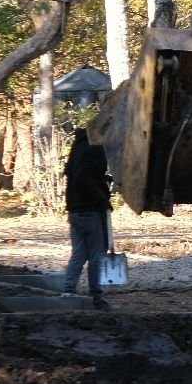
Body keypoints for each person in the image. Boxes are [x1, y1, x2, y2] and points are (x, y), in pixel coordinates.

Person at [64, 128, 113, 310]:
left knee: (78, 253)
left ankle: (68, 291)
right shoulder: (96, 147)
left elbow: (73, 172)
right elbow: (82, 178)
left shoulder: (78, 145)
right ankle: (96, 297)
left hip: (74, 210)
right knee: (97, 255)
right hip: (90, 210)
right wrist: (101, 200)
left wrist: (101, 179)